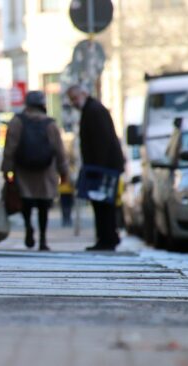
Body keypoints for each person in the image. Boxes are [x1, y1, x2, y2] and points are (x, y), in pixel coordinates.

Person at [1, 91, 69, 251]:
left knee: (26, 201)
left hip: (23, 170)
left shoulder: (17, 121)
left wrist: (6, 170)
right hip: (46, 171)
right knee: (43, 205)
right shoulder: (50, 124)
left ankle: (28, 227)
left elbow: (10, 148)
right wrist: (64, 171)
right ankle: (43, 239)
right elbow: (60, 151)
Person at [67, 85, 125, 251]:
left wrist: (96, 169)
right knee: (103, 203)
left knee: (103, 203)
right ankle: (107, 237)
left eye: (74, 98)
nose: (73, 103)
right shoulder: (93, 109)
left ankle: (107, 238)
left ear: (84, 93)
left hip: (103, 167)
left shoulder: (93, 110)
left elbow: (101, 142)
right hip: (103, 166)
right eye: (71, 100)